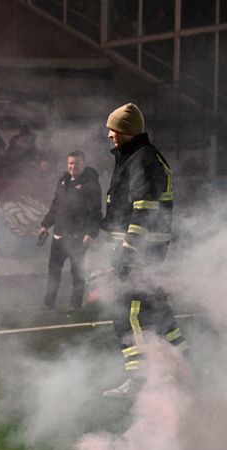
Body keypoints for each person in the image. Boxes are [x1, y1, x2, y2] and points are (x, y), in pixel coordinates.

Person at [100, 103, 188, 398]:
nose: (109, 134)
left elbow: (144, 211)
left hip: (140, 251)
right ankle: (184, 364)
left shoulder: (142, 159)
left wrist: (127, 251)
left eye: (113, 128)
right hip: (141, 249)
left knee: (129, 311)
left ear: (126, 131)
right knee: (156, 309)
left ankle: (138, 380)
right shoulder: (136, 156)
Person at [37, 151, 102, 310]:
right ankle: (48, 303)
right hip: (59, 235)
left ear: (83, 164)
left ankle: (75, 304)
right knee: (53, 272)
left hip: (77, 237)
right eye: (70, 163)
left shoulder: (91, 184)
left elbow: (96, 212)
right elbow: (55, 207)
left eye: (76, 163)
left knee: (77, 272)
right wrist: (45, 224)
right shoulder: (63, 181)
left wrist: (91, 233)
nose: (73, 166)